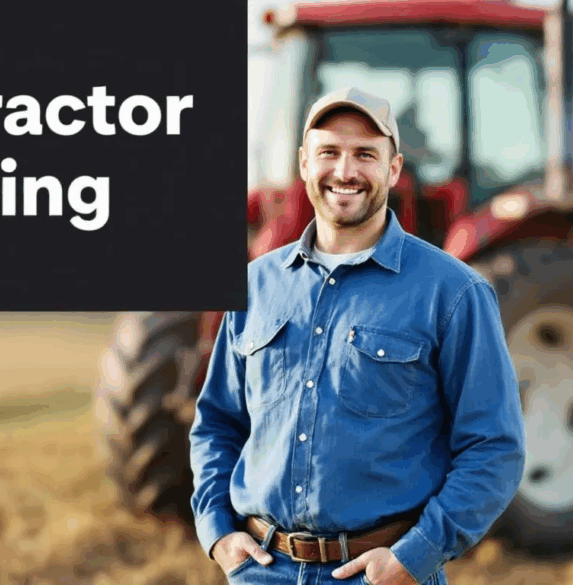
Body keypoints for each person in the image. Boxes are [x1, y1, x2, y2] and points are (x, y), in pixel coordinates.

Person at [188, 87, 526, 585]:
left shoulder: (453, 292)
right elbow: (217, 422)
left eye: (365, 154)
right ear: (304, 164)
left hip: (381, 573)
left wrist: (416, 554)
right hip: (260, 570)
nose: (345, 171)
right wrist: (217, 530)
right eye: (329, 152)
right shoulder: (255, 285)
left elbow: (494, 447)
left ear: (393, 169)